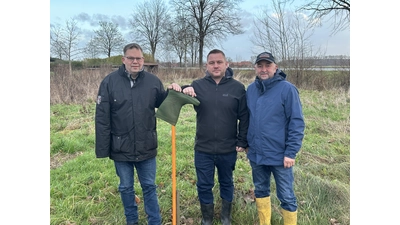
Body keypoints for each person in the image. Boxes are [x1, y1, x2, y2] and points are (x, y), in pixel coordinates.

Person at [94, 43, 181, 225]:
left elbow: (165, 104)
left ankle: (154, 221)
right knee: (126, 188)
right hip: (121, 147)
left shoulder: (153, 82)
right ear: (123, 59)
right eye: (131, 58)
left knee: (149, 186)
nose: (135, 61)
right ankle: (131, 221)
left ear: (143, 60)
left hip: (146, 145)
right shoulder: (109, 83)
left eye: (139, 58)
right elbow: (102, 118)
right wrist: (103, 150)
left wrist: (177, 90)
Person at [180, 49, 249, 225]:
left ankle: (226, 217)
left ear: (227, 64)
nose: (216, 65)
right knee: (204, 185)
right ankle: (207, 218)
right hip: (203, 148)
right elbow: (177, 95)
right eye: (212, 62)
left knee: (227, 182)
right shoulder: (197, 85)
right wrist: (181, 88)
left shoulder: (238, 88)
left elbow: (244, 117)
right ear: (207, 65)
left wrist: (242, 140)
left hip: (228, 148)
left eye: (219, 62)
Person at [240, 52, 305, 225]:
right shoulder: (251, 90)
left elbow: (296, 123)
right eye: (260, 66)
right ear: (255, 68)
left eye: (267, 65)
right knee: (260, 190)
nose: (263, 69)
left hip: (280, 156)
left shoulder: (287, 89)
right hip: (257, 154)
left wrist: (291, 152)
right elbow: (247, 118)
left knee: (286, 195)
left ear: (275, 67)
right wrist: (246, 143)